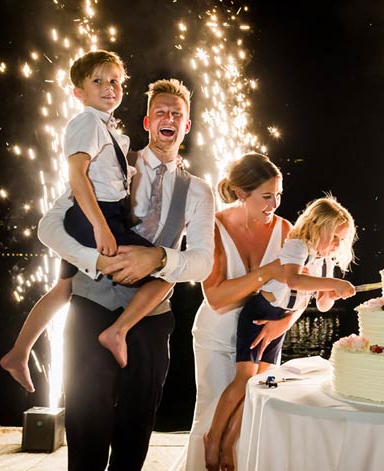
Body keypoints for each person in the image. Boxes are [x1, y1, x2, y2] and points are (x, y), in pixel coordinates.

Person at [37, 77, 215, 471]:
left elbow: (203, 262)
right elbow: (49, 226)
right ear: (147, 122)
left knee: (137, 425)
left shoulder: (200, 191)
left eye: (177, 114)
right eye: (161, 112)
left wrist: (158, 259)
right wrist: (96, 261)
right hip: (90, 306)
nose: (169, 118)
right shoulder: (107, 158)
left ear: (186, 126)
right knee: (85, 420)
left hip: (151, 320)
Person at [0, 51, 173, 394]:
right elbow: (77, 175)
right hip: (96, 214)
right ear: (78, 92)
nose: (109, 88)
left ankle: (18, 353)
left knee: (63, 289)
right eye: (98, 81)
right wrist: (100, 227)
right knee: (164, 270)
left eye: (114, 81)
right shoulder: (87, 123)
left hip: (93, 213)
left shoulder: (104, 125)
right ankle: (117, 331)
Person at [204, 196, 357, 471]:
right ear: (318, 226)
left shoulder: (325, 261)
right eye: (334, 237)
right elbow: (294, 279)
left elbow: (322, 304)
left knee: (260, 384)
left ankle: (230, 442)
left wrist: (334, 293)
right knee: (244, 380)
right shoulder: (297, 246)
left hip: (281, 321)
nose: (337, 245)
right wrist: (332, 282)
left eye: (340, 241)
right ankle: (213, 437)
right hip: (260, 314)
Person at [170, 152, 293, 471]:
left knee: (252, 418)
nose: (274, 204)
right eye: (266, 196)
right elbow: (216, 297)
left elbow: (296, 291)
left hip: (260, 341)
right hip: (217, 339)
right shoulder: (214, 228)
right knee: (211, 415)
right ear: (241, 193)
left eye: (278, 195)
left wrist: (284, 324)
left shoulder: (285, 230)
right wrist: (266, 273)